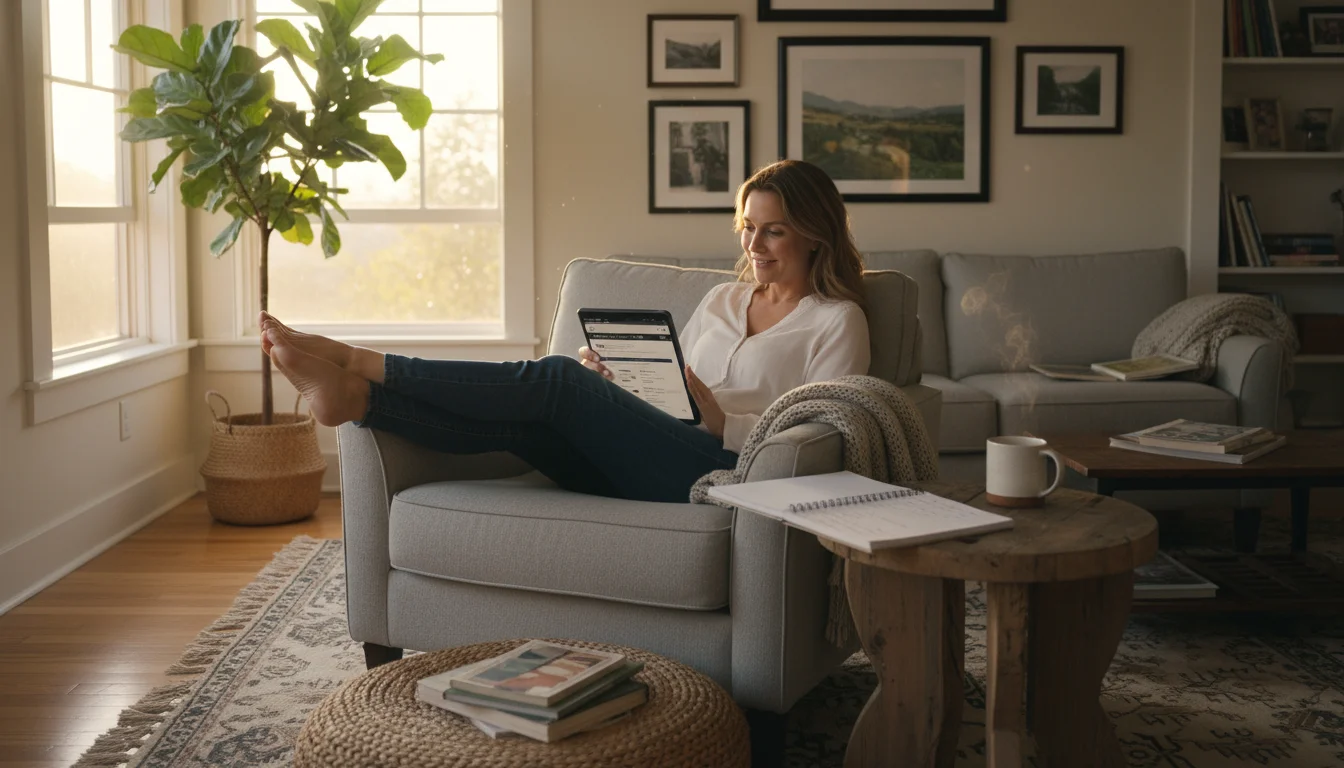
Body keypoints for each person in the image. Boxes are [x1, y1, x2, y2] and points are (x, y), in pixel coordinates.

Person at [261, 159, 872, 504]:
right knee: (537, 415)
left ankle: (359, 360)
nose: (753, 245)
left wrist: (723, 424)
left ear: (814, 233)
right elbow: (676, 384)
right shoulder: (722, 298)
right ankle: (362, 399)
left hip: (720, 469)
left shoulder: (836, 321)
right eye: (747, 226)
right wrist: (618, 381)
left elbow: (826, 436)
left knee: (554, 377)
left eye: (773, 230)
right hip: (650, 446)